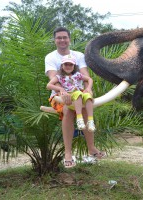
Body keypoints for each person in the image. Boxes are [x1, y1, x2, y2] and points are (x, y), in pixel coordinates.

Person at [45, 27, 105, 168]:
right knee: (68, 110)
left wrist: (88, 89)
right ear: (55, 40)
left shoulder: (78, 55)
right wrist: (63, 92)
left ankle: (91, 148)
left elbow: (85, 75)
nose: (62, 40)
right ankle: (68, 153)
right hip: (59, 96)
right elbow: (54, 78)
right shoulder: (50, 57)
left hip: (79, 94)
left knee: (84, 107)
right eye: (59, 37)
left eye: (64, 37)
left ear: (69, 39)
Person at [46, 54, 96, 132]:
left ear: (74, 66)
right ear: (62, 65)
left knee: (87, 96)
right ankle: (79, 119)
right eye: (66, 64)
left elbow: (89, 79)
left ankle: (91, 121)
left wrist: (88, 88)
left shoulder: (77, 75)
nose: (68, 66)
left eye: (71, 64)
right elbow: (49, 85)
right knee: (78, 94)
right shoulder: (59, 76)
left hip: (78, 94)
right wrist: (60, 89)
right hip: (69, 95)